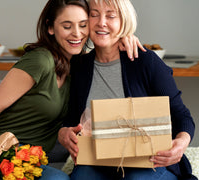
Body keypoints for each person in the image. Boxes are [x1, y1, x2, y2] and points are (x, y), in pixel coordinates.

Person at [0, 0, 143, 179]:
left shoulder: (79, 66)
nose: (77, 33)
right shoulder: (40, 61)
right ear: (50, 27)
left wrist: (124, 37)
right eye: (67, 26)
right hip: (0, 152)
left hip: (33, 159)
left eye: (83, 25)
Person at [58, 0, 196, 179]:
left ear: (124, 21)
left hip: (149, 162)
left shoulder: (145, 61)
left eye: (111, 15)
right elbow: (72, 119)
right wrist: (64, 132)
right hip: (96, 162)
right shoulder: (79, 66)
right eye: (94, 14)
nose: (101, 22)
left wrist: (181, 143)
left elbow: (182, 115)